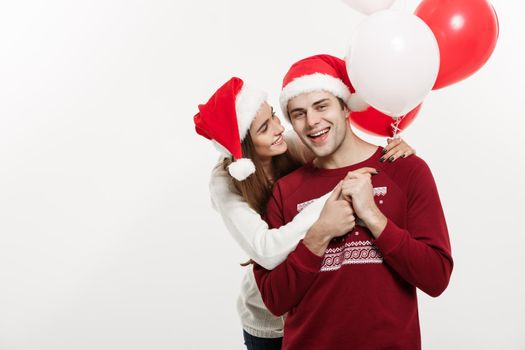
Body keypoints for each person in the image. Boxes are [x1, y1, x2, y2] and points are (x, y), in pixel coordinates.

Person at [194, 76, 416, 349]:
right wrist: (327, 211)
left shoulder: (289, 144)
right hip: (270, 324)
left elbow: (346, 152)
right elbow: (266, 250)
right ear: (244, 149)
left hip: (315, 308)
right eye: (265, 128)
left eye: (274, 116)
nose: (279, 128)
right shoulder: (224, 181)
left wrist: (392, 151)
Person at [254, 54, 453, 350]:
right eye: (298, 113)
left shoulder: (406, 169)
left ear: (346, 106)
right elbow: (275, 299)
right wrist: (319, 234)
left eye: (322, 106)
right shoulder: (285, 190)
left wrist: (373, 216)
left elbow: (436, 278)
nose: (312, 122)